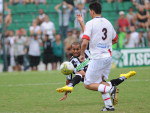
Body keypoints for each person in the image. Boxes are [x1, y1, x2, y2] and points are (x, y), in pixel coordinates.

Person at [57, 2, 136, 111]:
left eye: (89, 11)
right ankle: (109, 106)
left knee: (88, 84)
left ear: (92, 11)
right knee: (99, 82)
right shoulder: (108, 22)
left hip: (98, 57)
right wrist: (104, 44)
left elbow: (84, 43)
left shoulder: (91, 23)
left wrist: (81, 55)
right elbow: (115, 39)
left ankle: (111, 88)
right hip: (108, 57)